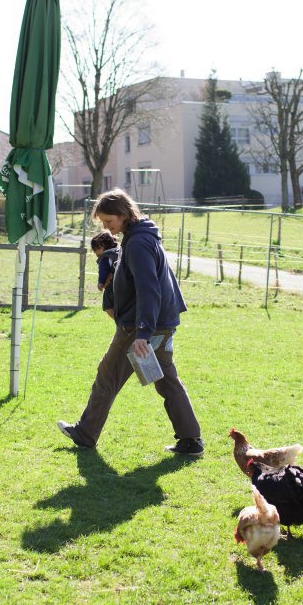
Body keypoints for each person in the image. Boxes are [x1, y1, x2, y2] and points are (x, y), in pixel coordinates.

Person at [58, 189, 204, 456]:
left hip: (140, 327)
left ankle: (85, 433)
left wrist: (142, 333)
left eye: (108, 221)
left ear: (124, 214)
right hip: (161, 322)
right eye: (102, 222)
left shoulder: (137, 244)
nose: (106, 227)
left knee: (108, 375)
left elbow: (149, 289)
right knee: (166, 379)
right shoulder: (141, 235)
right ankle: (191, 440)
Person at [91, 230, 119, 320]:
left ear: (102, 246)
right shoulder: (119, 251)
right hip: (122, 284)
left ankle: (120, 322)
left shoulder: (105, 257)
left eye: (95, 249)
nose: (95, 252)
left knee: (108, 306)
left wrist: (100, 282)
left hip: (111, 286)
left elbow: (103, 270)